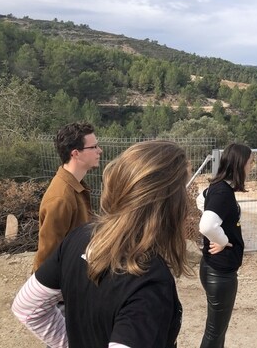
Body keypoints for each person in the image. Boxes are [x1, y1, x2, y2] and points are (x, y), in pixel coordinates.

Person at [12, 140, 191, 348]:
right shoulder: (149, 280)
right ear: (171, 204)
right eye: (184, 192)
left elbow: (27, 306)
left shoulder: (79, 238)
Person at [197, 143, 254, 348]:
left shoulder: (218, 186)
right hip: (219, 273)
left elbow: (200, 200)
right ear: (240, 164)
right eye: (250, 162)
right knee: (214, 332)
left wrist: (219, 236)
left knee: (217, 331)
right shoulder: (222, 192)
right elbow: (207, 225)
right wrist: (222, 240)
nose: (251, 167)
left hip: (214, 269)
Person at [33, 122, 102, 272]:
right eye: (94, 147)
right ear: (76, 153)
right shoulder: (61, 198)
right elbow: (47, 257)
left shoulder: (75, 186)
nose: (100, 151)